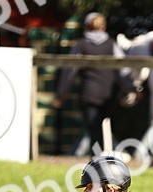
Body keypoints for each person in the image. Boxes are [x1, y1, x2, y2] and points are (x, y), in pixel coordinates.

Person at [53, 13, 124, 157]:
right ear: (103, 27)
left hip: (89, 94)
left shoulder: (81, 45)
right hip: (109, 94)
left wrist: (61, 94)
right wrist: (132, 89)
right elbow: (124, 68)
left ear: (86, 27)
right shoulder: (112, 44)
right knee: (101, 128)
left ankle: (97, 160)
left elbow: (69, 71)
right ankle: (102, 158)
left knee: (94, 130)